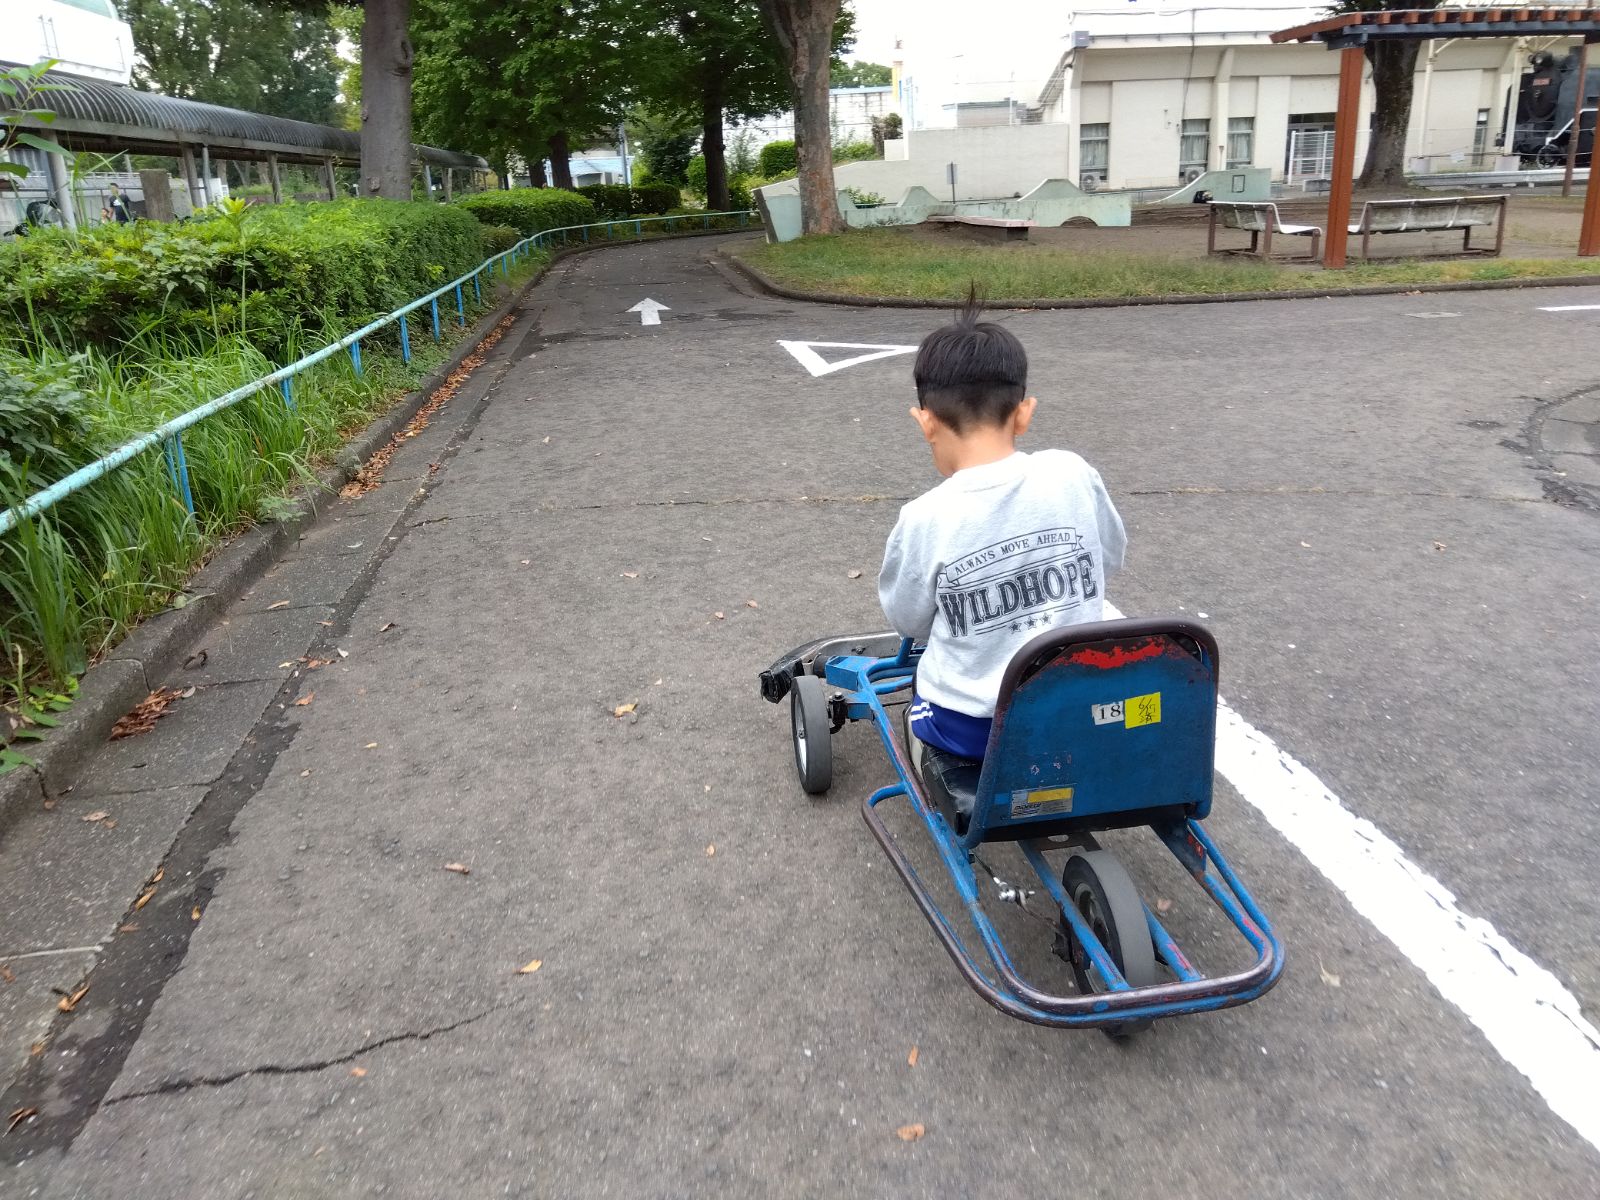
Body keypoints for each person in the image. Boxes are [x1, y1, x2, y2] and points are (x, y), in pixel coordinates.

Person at [878, 295, 1126, 765]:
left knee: (922, 699)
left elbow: (908, 621)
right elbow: (1109, 558)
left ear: (926, 422)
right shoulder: (1072, 472)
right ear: (1024, 413)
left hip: (971, 731)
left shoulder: (925, 516)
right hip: (1079, 710)